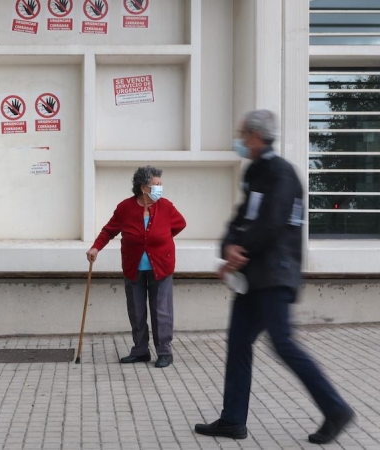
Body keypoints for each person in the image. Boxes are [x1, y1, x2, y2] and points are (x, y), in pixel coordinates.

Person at [194, 110, 354, 444]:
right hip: (253, 279)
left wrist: (241, 251)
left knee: (283, 343)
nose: (239, 140)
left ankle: (336, 409)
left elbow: (273, 222)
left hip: (275, 276)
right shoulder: (255, 172)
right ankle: (233, 420)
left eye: (242, 134)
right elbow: (239, 219)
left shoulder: (282, 174)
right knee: (238, 344)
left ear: (255, 135)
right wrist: (228, 248)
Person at [86, 166, 186, 368]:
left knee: (161, 310)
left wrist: (161, 242)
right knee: (137, 310)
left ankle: (164, 351)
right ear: (143, 187)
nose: (160, 188)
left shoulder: (166, 207)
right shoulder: (125, 208)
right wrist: (96, 248)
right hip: (134, 267)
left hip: (161, 266)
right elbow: (109, 231)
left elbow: (179, 224)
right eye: (156, 185)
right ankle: (140, 350)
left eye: (160, 184)